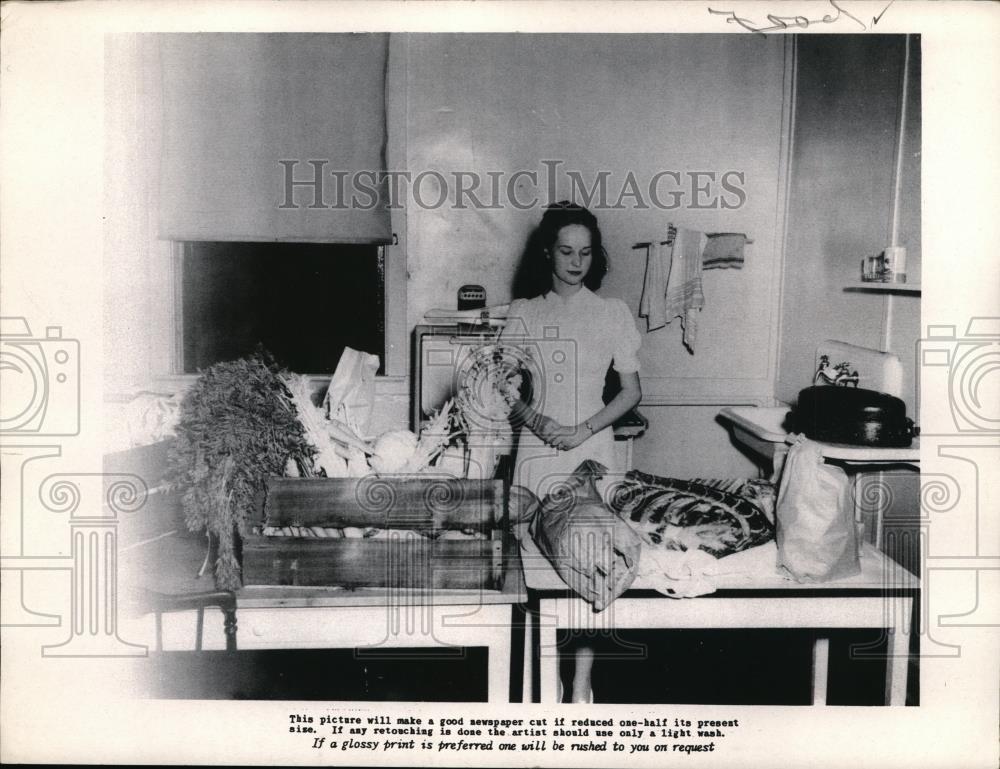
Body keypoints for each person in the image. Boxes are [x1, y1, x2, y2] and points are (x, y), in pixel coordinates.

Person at [502, 201, 642, 702]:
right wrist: (537, 421)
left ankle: (581, 685)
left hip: (591, 451)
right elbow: (502, 386)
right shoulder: (524, 313)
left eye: (585, 252)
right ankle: (540, 682)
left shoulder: (612, 314)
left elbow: (630, 392)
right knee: (536, 572)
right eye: (565, 251)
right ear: (547, 252)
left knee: (592, 567)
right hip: (537, 454)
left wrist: (582, 428)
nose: (576, 261)